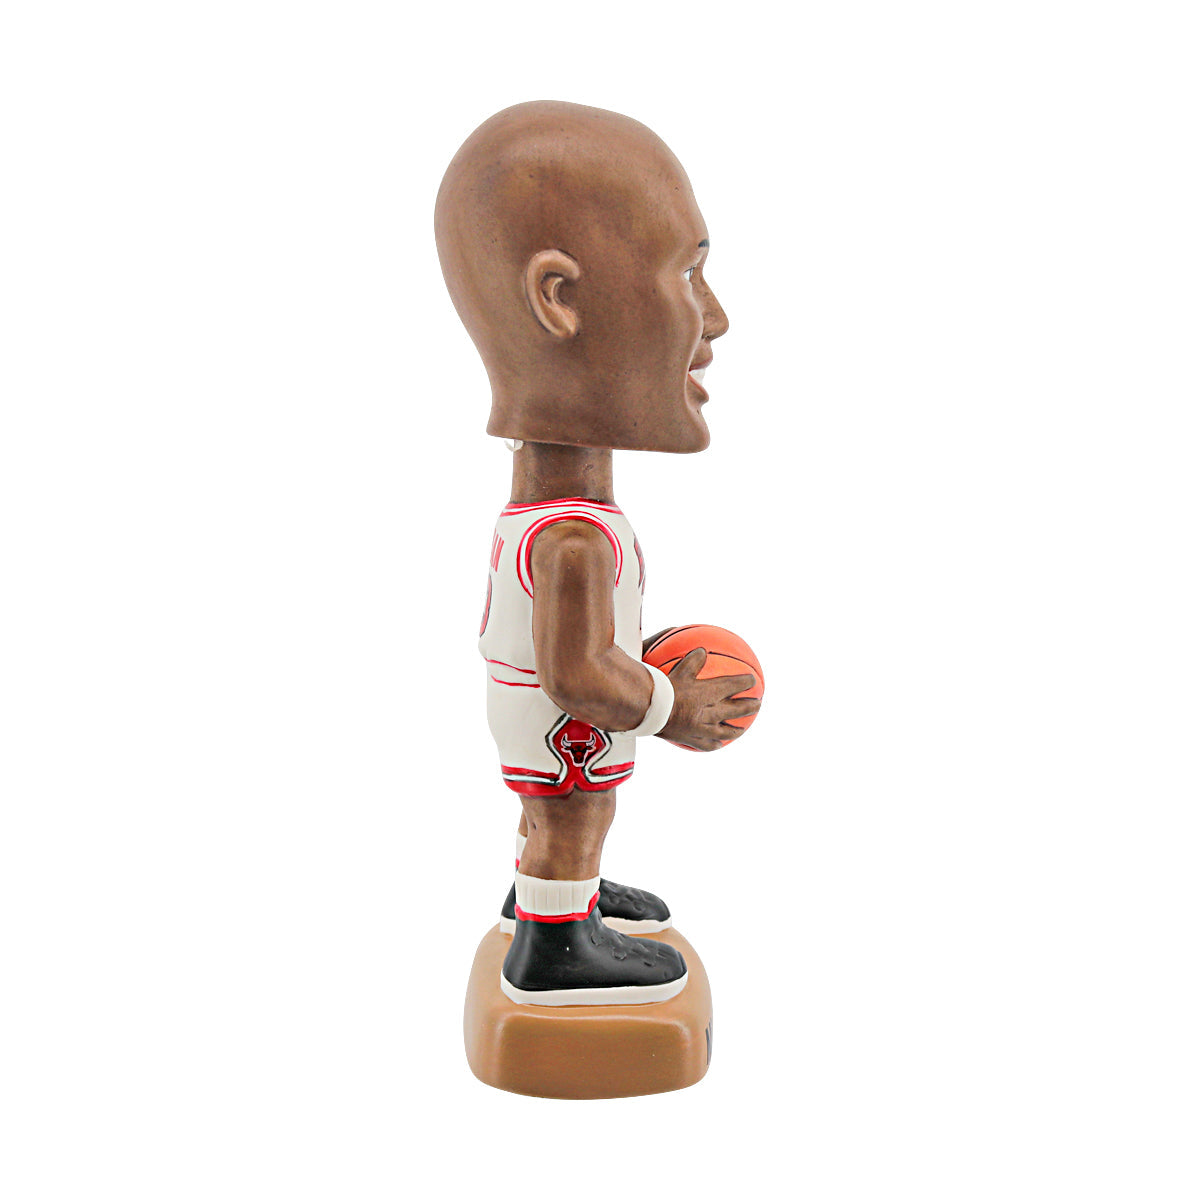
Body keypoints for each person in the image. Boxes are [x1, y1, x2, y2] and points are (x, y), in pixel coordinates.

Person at [435, 101, 759, 1006]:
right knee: (576, 811)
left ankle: (551, 895)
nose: (717, 318)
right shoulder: (573, 535)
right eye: (688, 273)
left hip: (537, 718)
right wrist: (672, 706)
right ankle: (554, 944)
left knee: (559, 812)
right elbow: (577, 673)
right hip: (558, 722)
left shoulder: (549, 511)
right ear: (560, 300)